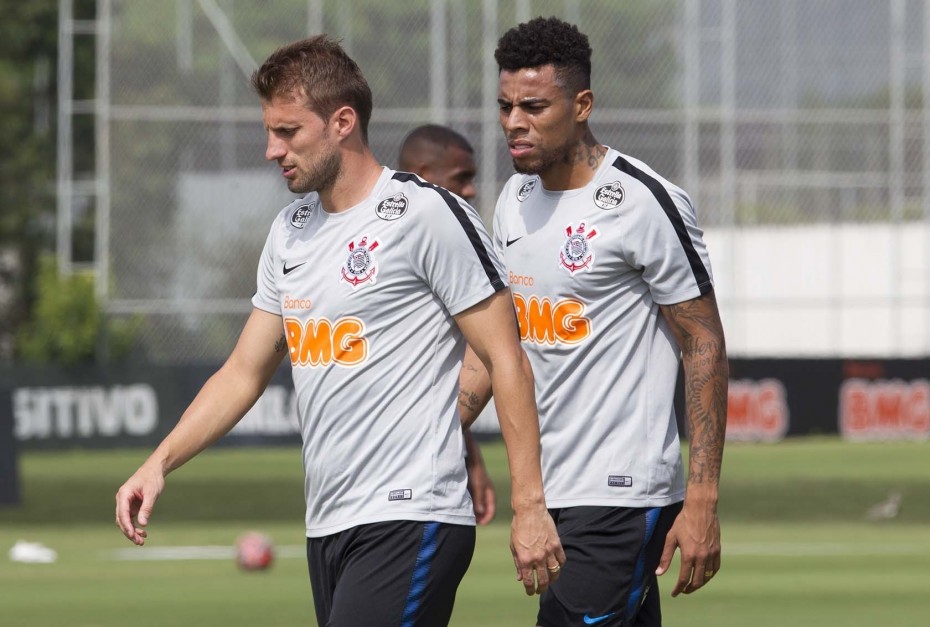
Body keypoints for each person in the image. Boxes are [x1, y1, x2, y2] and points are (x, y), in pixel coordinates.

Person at [115, 34, 564, 627]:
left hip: (411, 514)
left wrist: (529, 504)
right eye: (270, 131)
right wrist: (159, 462)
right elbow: (242, 373)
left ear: (342, 122)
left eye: (287, 132)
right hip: (328, 523)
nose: (271, 150)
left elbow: (508, 360)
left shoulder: (425, 214)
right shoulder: (289, 231)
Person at [459, 17, 729, 627]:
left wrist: (703, 496)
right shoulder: (514, 200)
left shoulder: (643, 202)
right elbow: (497, 342)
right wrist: (435, 427)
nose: (513, 122)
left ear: (581, 104)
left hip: (619, 493)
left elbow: (703, 342)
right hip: (549, 492)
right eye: (504, 107)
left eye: (533, 106)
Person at [398, 124, 495, 525]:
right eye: (462, 179)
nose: (471, 190)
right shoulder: (394, 244)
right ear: (424, 174)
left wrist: (467, 454)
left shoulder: (450, 243)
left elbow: (434, 374)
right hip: (370, 477)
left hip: (413, 489)